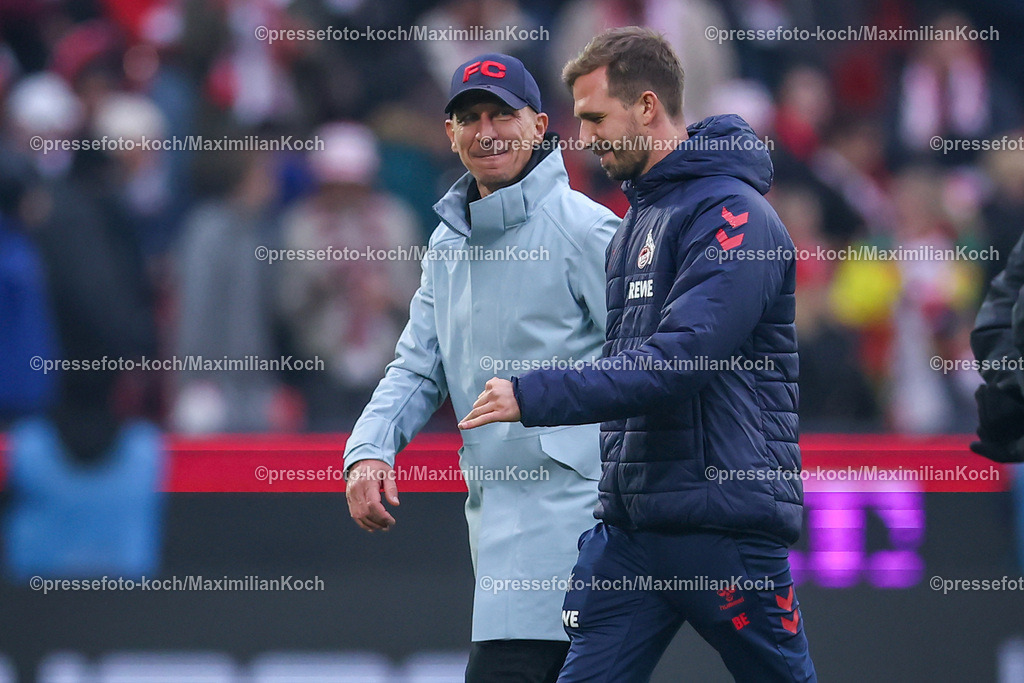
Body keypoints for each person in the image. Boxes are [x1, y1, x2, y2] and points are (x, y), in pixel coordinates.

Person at [459, 28, 816, 682]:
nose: (583, 136)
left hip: (722, 528)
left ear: (647, 107)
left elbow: (677, 361)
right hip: (634, 530)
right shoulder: (636, 223)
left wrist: (535, 393)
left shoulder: (734, 217)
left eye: (595, 117)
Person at [343, 53, 619, 682]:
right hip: (498, 528)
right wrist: (368, 450)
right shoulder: (449, 242)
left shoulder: (585, 229)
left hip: (578, 530)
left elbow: (648, 369)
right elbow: (418, 366)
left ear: (541, 125)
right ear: (449, 133)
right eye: (469, 116)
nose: (486, 129)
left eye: (502, 113)